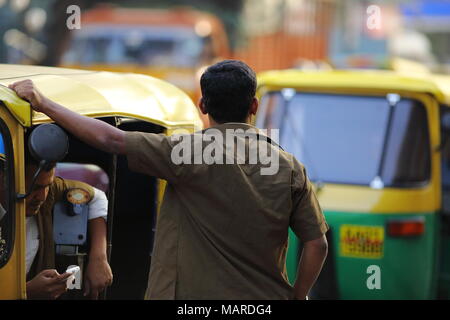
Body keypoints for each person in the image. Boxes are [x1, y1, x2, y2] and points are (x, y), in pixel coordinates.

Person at [10, 60, 328, 300]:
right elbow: (316, 244)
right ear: (254, 106)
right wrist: (297, 296)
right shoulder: (289, 168)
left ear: (203, 105)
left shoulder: (186, 153)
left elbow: (113, 141)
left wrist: (43, 102)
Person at [22, 149, 112, 300]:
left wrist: (99, 257)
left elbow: (96, 197)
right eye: (35, 188)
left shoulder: (51, 191)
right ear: (5, 177)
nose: (43, 196)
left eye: (48, 186)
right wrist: (27, 292)